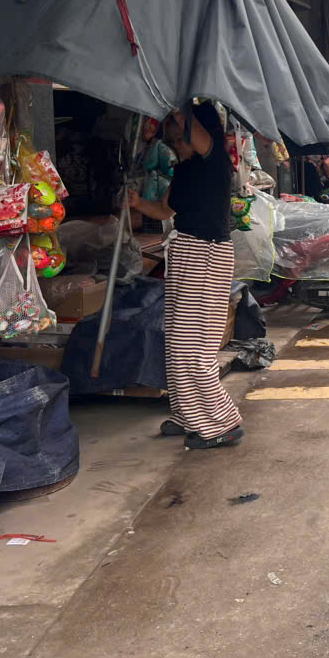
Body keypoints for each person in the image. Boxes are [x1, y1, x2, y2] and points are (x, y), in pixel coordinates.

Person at [127, 103, 243, 451]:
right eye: (173, 140)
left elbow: (197, 132)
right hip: (184, 253)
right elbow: (165, 210)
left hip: (206, 255)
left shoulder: (216, 161)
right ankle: (189, 414)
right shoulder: (185, 170)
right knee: (175, 337)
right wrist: (135, 202)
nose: (176, 145)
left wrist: (178, 102)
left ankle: (223, 422)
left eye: (180, 139)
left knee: (193, 346)